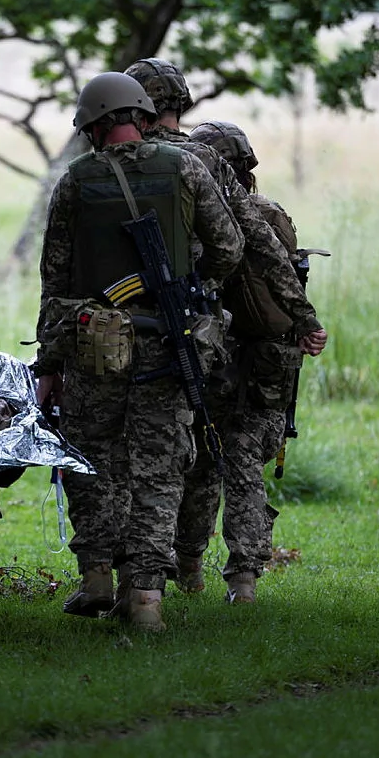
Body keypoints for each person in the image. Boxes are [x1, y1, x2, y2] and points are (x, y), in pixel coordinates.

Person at [34, 72, 244, 631]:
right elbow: (228, 246)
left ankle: (97, 575)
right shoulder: (186, 167)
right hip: (167, 341)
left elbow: (54, 281)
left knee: (89, 458)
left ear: (97, 125)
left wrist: (49, 364)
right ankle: (146, 595)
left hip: (92, 345)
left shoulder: (76, 182)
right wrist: (188, 284)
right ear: (142, 114)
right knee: (159, 470)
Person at [125, 58, 328, 603]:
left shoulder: (137, 163)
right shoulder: (212, 168)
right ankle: (237, 577)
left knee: (177, 456)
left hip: (169, 334)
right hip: (235, 347)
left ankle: (163, 573)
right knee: (229, 455)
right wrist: (306, 319)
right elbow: (263, 251)